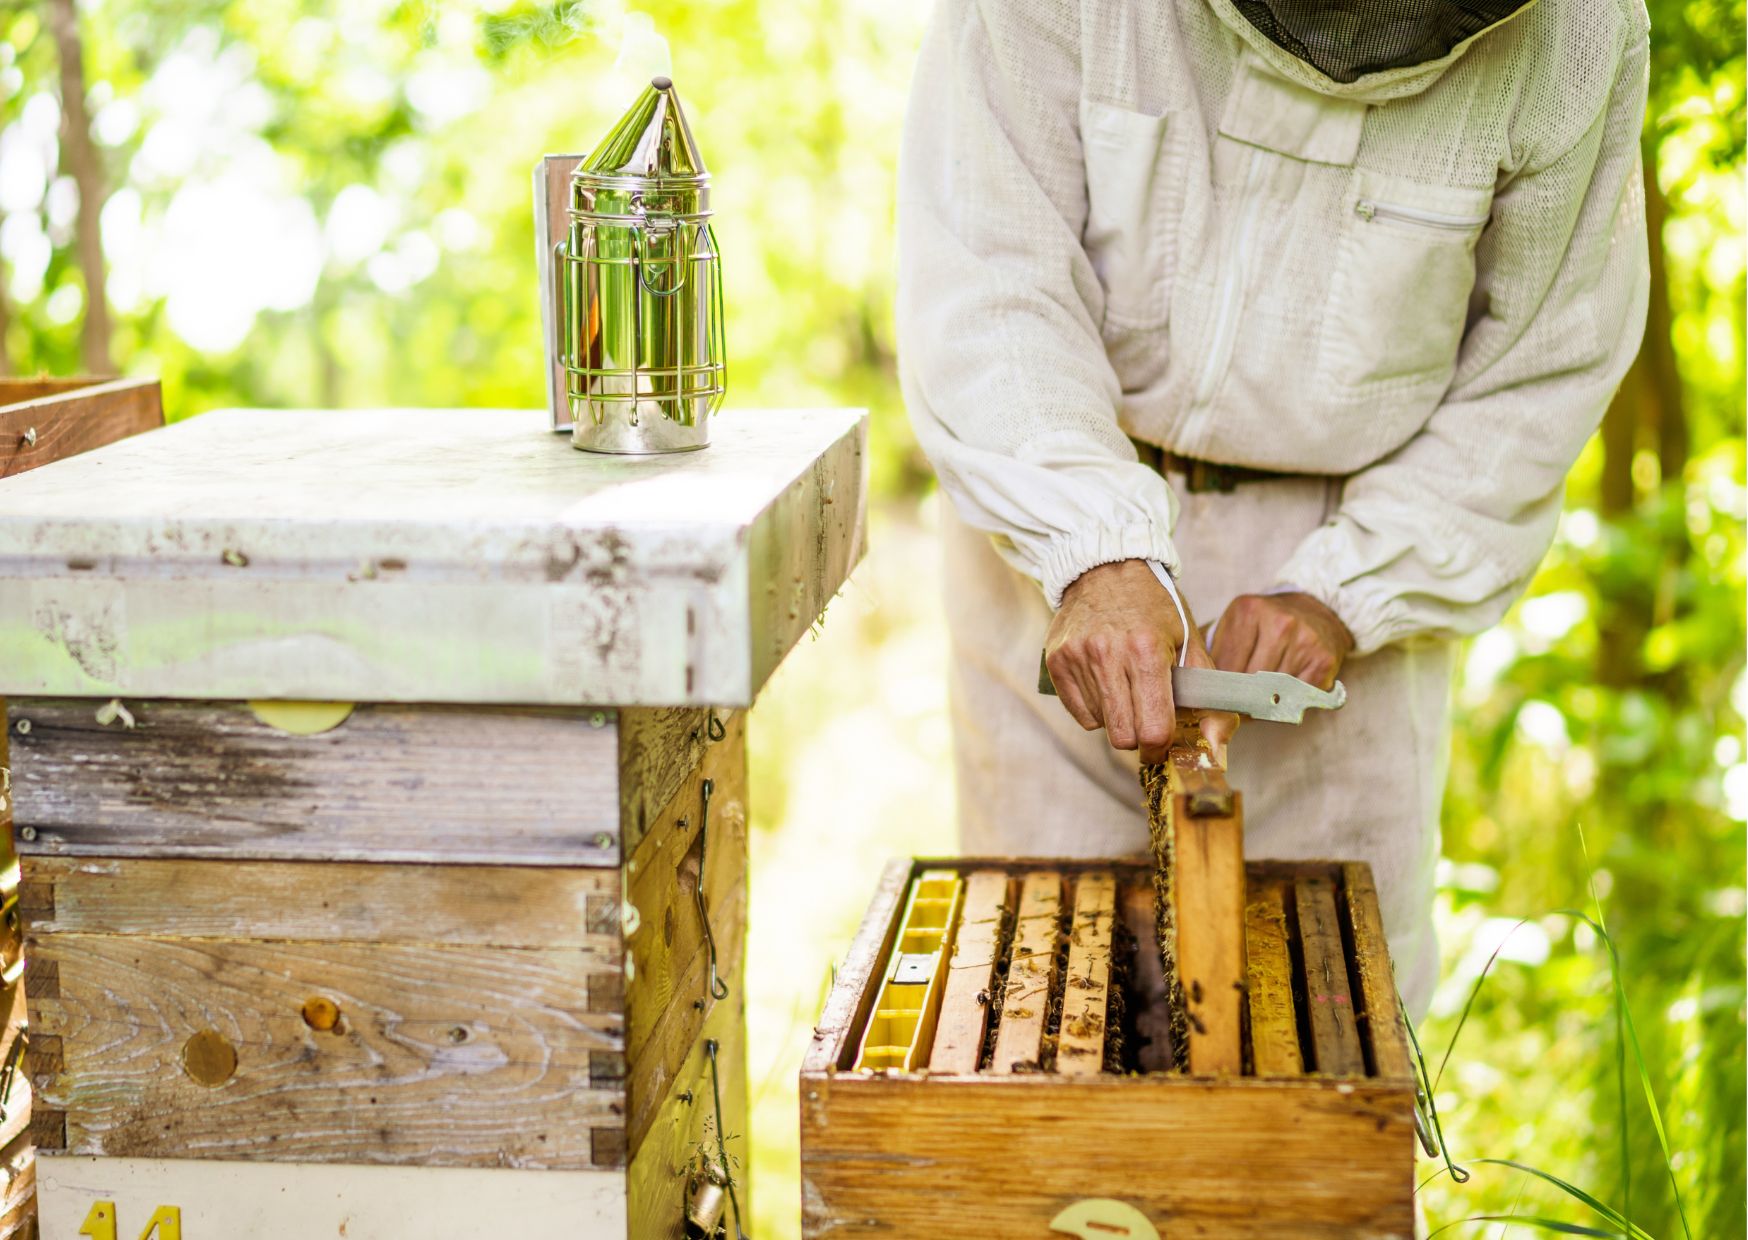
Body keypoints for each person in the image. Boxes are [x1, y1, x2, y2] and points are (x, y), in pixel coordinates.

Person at [897, 0, 1650, 1015]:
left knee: (1330, 1049)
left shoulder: (1579, 33)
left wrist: (1345, 592)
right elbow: (989, 273)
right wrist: (1090, 548)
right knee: (1042, 1015)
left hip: (1353, 564)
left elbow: (1539, 369)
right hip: (1050, 543)